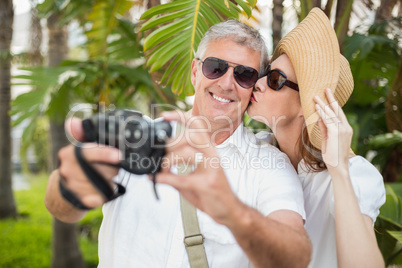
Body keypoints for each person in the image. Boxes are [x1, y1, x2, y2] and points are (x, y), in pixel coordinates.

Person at [45, 20, 312, 267]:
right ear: (196, 72)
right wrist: (74, 184)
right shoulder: (134, 137)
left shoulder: (269, 165)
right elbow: (59, 209)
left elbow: (296, 255)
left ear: (254, 87)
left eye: (244, 75)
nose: (227, 83)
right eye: (215, 67)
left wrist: (233, 211)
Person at [247, 8, 386, 268]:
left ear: (308, 106)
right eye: (266, 72)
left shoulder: (353, 174)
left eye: (275, 80)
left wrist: (339, 170)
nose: (259, 82)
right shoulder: (258, 148)